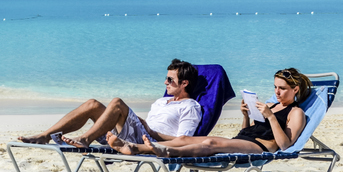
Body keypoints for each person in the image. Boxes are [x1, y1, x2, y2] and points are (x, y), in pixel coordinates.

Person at [106, 68, 312, 157]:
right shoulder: (273, 105)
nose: (277, 92)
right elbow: (248, 131)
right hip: (243, 140)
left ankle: (147, 150)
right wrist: (246, 116)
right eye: (275, 87)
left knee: (210, 144)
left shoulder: (296, 113)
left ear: (295, 90)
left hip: (261, 147)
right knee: (186, 138)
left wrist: (270, 117)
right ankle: (137, 145)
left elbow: (286, 145)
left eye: (282, 89)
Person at [17, 59, 202, 148]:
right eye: (166, 78)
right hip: (139, 132)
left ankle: (84, 140)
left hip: (150, 142)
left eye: (170, 80)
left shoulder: (191, 107)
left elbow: (183, 141)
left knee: (117, 103)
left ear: (184, 83)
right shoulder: (162, 101)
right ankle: (45, 135)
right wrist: (144, 125)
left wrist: (152, 132)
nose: (165, 83)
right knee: (92, 104)